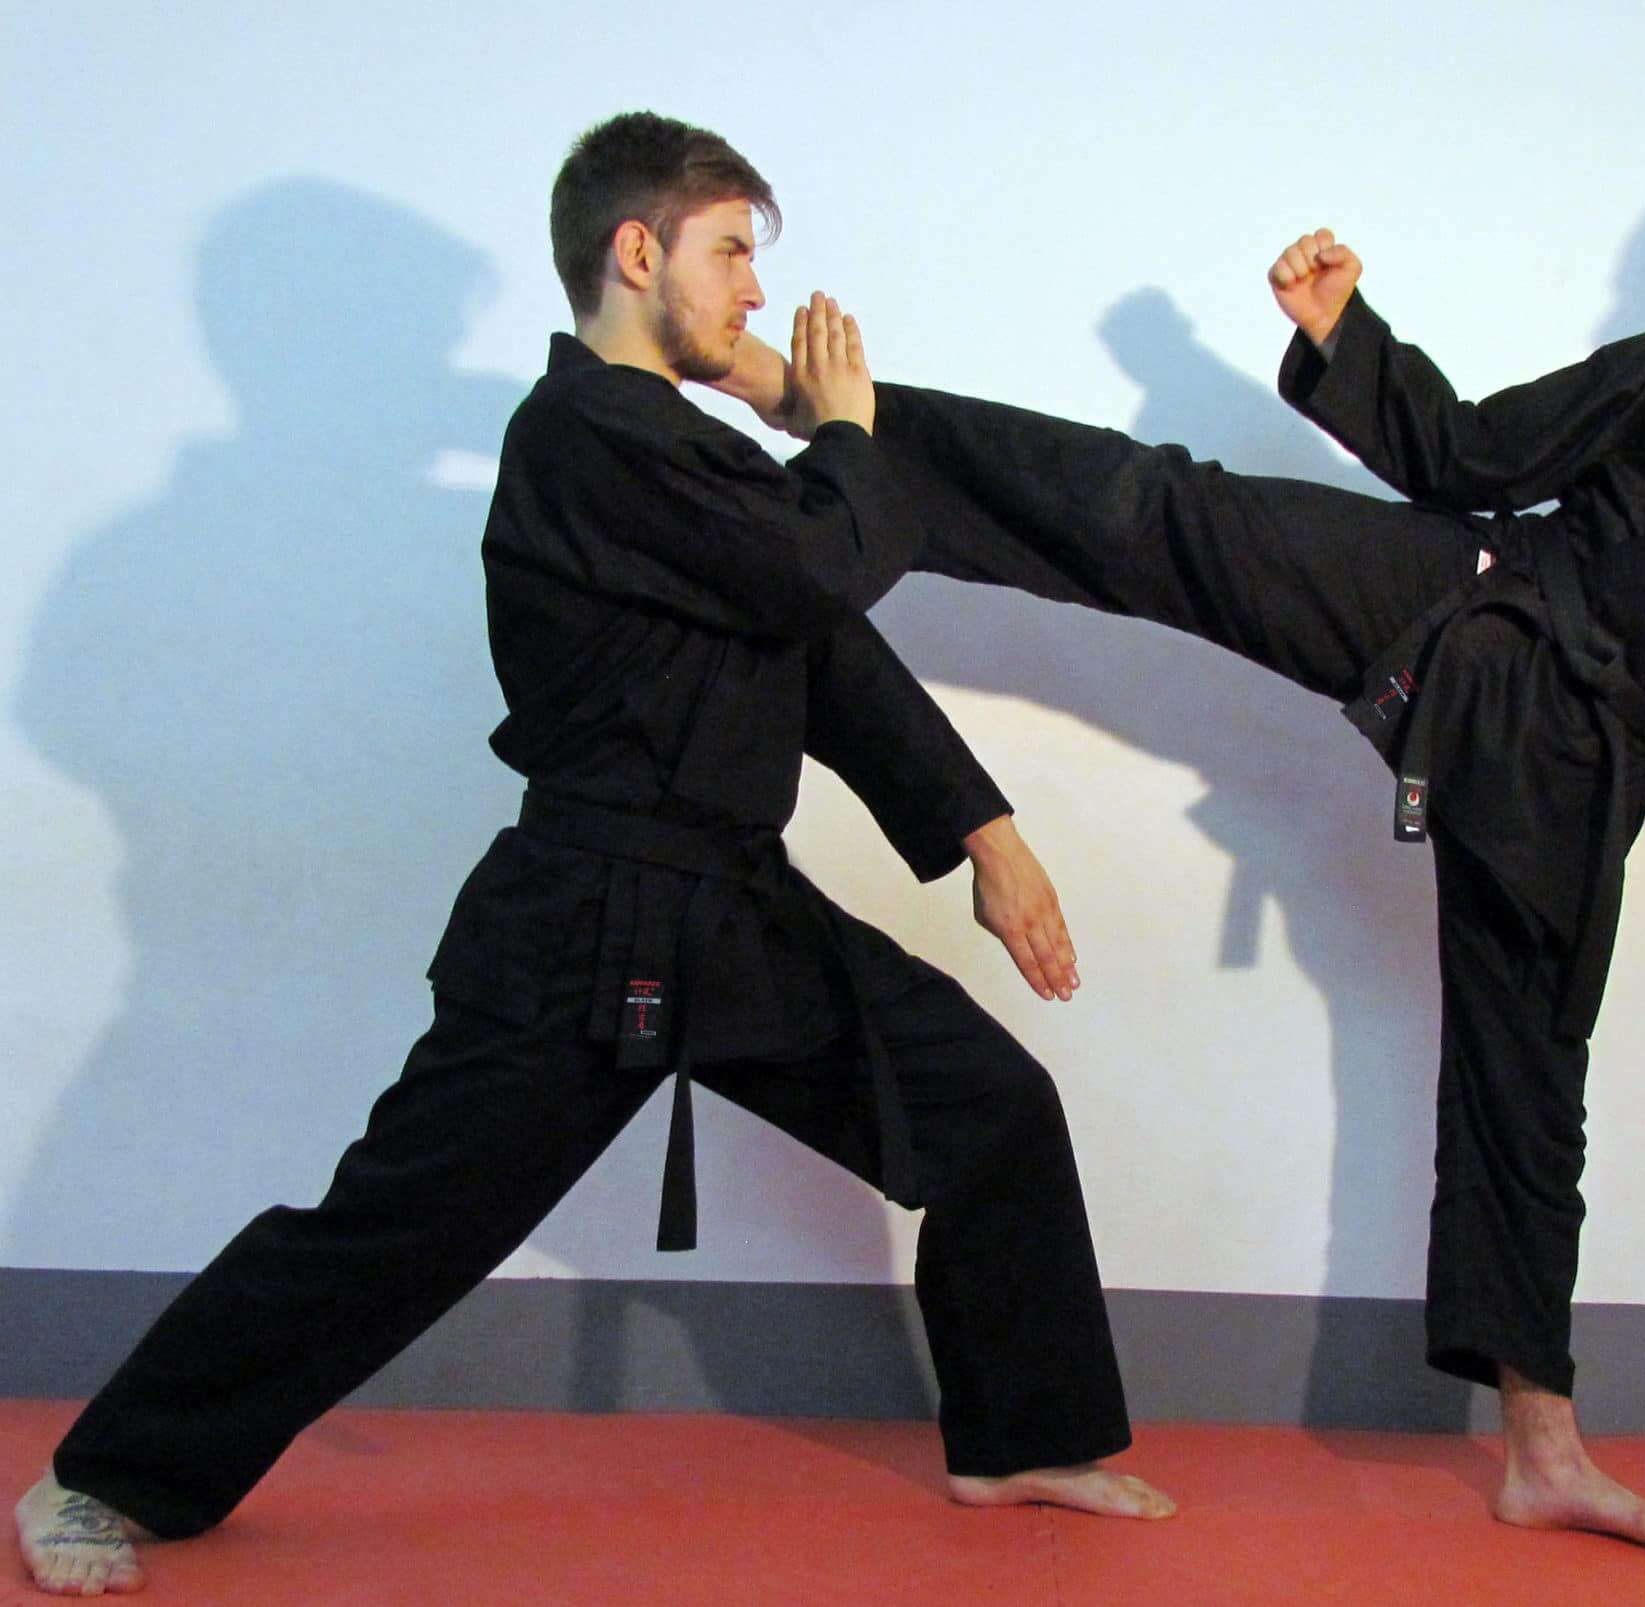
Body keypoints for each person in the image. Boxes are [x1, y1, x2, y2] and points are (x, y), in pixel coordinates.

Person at [717, 119, 1645, 1560]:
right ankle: (845, 428)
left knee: (1528, 1086)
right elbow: (1475, 454)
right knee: (1170, 513)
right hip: (1474, 603)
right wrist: (1348, 338)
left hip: (1581, 756)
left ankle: (1543, 1450)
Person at [15, 112, 1172, 1598]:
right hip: (585, 918)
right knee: (397, 1228)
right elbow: (817, 564)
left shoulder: (683, 456)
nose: (756, 290)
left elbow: (822, 651)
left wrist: (983, 835)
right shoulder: (582, 435)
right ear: (638, 251)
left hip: (736, 908)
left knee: (990, 1109)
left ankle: (1019, 1436)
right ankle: (104, 1476)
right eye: (731, 251)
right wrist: (844, 430)